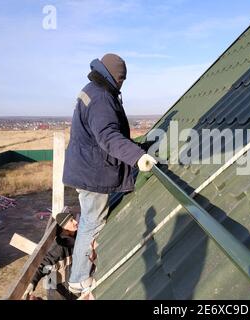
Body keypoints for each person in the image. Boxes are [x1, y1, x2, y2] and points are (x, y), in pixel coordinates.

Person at [62, 53, 157, 295]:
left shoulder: (93, 88)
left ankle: (79, 272)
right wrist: (138, 157)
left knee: (88, 220)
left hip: (85, 166)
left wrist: (137, 147)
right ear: (117, 78)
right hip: (93, 172)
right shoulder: (102, 97)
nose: (122, 85)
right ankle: (79, 279)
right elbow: (107, 136)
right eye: (122, 80)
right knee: (92, 222)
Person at [22, 211, 79, 300]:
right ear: (64, 227)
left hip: (71, 283)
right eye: (71, 221)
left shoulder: (77, 236)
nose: (76, 222)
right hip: (56, 286)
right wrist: (32, 282)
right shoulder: (58, 246)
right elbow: (43, 264)